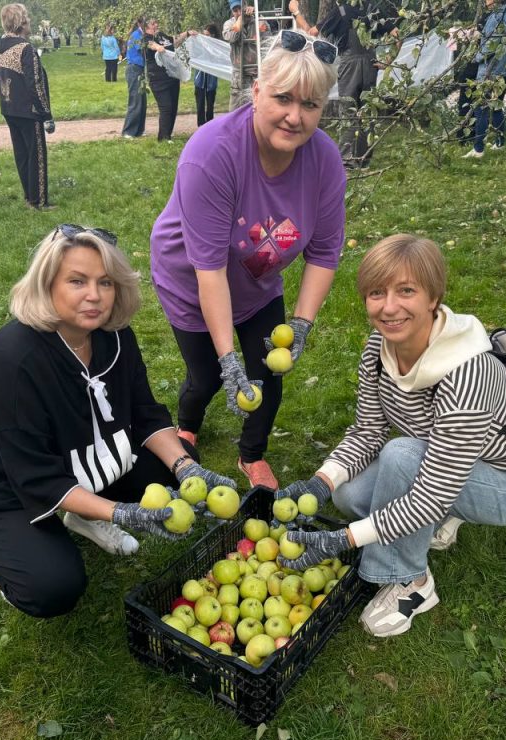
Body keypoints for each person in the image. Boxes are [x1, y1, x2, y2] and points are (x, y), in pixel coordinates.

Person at [0, 225, 235, 618]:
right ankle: (14, 569)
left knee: (174, 458)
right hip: (4, 491)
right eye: (76, 281)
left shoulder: (114, 337)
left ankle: (84, 513)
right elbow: (34, 474)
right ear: (47, 284)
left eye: (105, 282)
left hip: (77, 459)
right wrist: (122, 512)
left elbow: (146, 413)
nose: (94, 296)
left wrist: (189, 469)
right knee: (54, 586)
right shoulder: (13, 359)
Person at [275, 234, 506, 637]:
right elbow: (368, 430)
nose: (389, 307)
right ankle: (439, 520)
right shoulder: (379, 347)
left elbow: (430, 494)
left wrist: (344, 540)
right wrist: (320, 481)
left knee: (402, 456)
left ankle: (412, 581)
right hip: (447, 461)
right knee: (348, 495)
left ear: (433, 297)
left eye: (406, 291)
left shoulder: (467, 375)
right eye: (376, 292)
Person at [149, 30, 346, 490]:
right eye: (282, 99)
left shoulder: (326, 162)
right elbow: (210, 267)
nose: (295, 116)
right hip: (192, 276)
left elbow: (323, 252)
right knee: (206, 376)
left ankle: (252, 456)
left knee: (269, 372)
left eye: (311, 105)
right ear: (256, 91)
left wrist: (301, 324)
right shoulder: (211, 153)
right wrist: (226, 358)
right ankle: (188, 427)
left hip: (258, 281)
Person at [289, 0, 399, 168]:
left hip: (349, 64)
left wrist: (296, 12)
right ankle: (364, 159)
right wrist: (389, 61)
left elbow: (311, 33)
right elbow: (398, 34)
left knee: (348, 110)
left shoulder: (340, 12)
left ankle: (346, 161)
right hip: (371, 63)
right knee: (367, 109)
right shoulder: (374, 10)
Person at [0, 3, 55, 210]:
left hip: (9, 107)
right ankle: (39, 200)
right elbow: (35, 84)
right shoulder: (25, 48)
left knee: (22, 154)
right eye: (28, 19)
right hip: (29, 111)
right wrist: (46, 113)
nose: (30, 22)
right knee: (36, 155)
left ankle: (29, 197)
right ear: (22, 22)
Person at [462, 0, 506, 159]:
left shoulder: (497, 16)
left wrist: (475, 56)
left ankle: (478, 150)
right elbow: (499, 37)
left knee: (481, 108)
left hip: (494, 69)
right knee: (496, 105)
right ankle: (500, 143)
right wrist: (481, 35)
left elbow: (492, 46)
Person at [143, 19, 194, 142]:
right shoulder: (145, 38)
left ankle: (167, 135)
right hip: (158, 79)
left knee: (173, 107)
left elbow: (174, 41)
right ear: (146, 27)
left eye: (156, 22)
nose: (156, 25)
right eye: (153, 24)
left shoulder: (160, 35)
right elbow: (149, 45)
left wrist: (187, 33)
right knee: (166, 107)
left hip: (172, 76)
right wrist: (157, 47)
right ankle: (163, 139)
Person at [223, 1, 267, 110]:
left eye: (240, 9)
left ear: (246, 7)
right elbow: (231, 37)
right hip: (239, 75)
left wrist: (256, 14)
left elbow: (267, 36)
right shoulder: (229, 23)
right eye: (235, 10)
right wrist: (240, 21)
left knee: (257, 111)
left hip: (256, 73)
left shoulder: (257, 19)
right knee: (235, 112)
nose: (238, 12)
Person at [121, 17, 147, 138]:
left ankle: (139, 130)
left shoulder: (141, 34)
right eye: (146, 22)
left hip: (140, 69)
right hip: (134, 69)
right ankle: (128, 131)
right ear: (139, 23)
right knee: (135, 101)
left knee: (142, 101)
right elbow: (143, 50)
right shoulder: (137, 35)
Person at [194, 25, 221, 126]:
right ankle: (201, 125)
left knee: (210, 104)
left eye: (207, 35)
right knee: (200, 104)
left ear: (213, 35)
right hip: (199, 79)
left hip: (211, 80)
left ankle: (210, 125)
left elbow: (218, 59)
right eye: (204, 34)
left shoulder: (217, 47)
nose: (205, 37)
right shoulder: (199, 44)